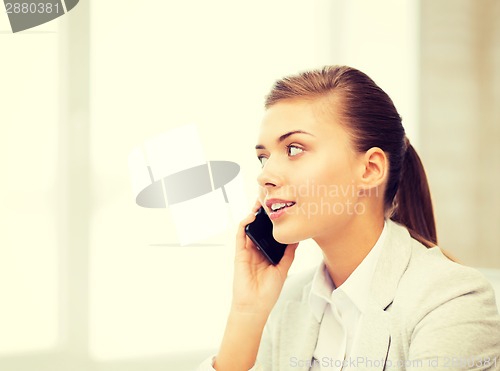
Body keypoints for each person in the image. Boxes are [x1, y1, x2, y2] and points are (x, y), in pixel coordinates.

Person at [197, 66, 500, 370]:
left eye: (294, 148)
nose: (265, 176)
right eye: (264, 157)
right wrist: (246, 313)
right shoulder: (287, 305)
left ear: (370, 169)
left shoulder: (451, 301)